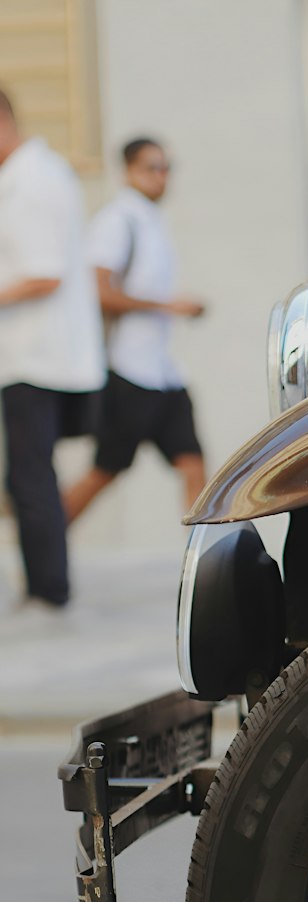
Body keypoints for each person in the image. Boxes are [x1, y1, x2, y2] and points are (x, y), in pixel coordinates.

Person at [63, 137, 206, 524]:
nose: (161, 177)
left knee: (194, 467)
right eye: (151, 168)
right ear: (128, 171)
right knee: (104, 472)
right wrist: (167, 306)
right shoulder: (117, 221)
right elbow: (98, 291)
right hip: (129, 373)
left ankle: (203, 563)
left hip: (163, 373)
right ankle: (43, 546)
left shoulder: (152, 221)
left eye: (165, 168)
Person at [0, 88, 104, 611]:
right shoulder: (26, 177)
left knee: (30, 474)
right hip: (31, 355)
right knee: (24, 475)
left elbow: (42, 274)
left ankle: (49, 589)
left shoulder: (34, 181)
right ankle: (45, 583)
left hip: (36, 356)